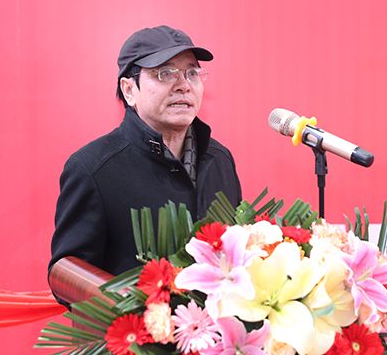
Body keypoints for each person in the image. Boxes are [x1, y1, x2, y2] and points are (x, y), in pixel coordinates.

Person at [49, 25, 242, 285]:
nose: (184, 85)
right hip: (135, 312)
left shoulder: (219, 159)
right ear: (129, 90)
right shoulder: (92, 168)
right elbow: (66, 274)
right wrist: (133, 301)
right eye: (165, 73)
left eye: (192, 73)